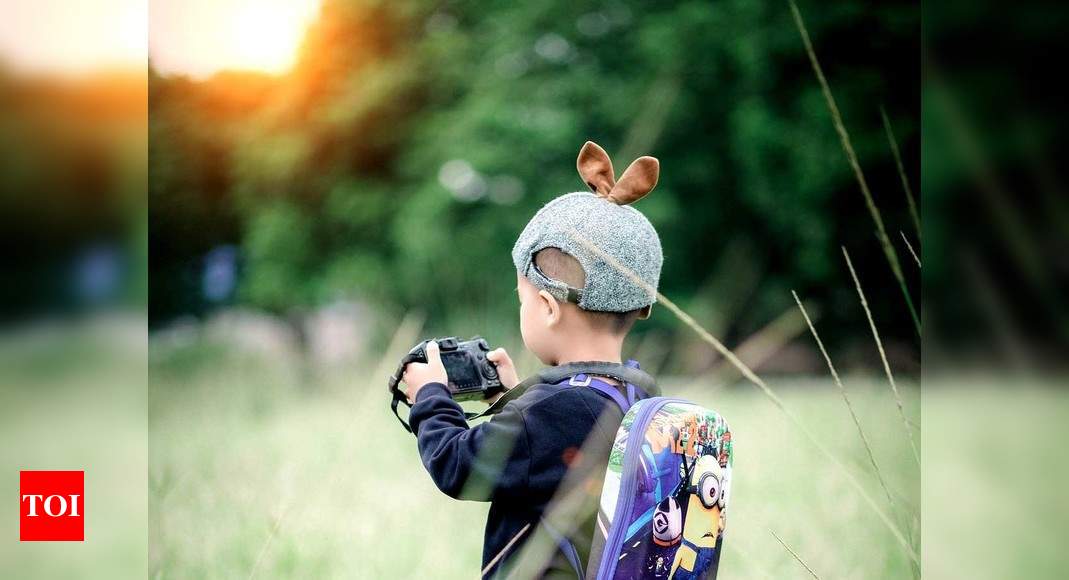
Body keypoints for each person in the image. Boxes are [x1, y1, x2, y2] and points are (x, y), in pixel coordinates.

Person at [400, 141, 663, 577]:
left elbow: (457, 466)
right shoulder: (638, 395)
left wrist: (430, 395)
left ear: (547, 306)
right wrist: (517, 397)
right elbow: (556, 451)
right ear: (640, 305)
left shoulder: (550, 414)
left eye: (521, 298)